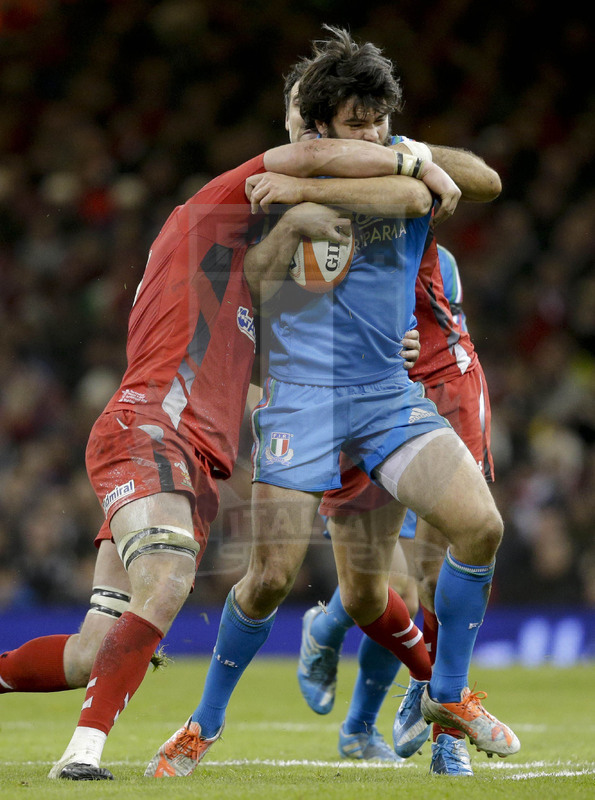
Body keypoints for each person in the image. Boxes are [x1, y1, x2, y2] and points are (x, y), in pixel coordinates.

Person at [144, 27, 518, 779]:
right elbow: (250, 285)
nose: (375, 134)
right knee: (272, 576)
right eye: (357, 124)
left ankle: (445, 698)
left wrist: (312, 187)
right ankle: (202, 725)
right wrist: (288, 224)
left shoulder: (399, 164)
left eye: (380, 120)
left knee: (479, 528)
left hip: (387, 396)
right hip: (301, 401)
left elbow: (422, 191)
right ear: (319, 127)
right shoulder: (277, 179)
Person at [27, 130, 454, 780]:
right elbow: (306, 157)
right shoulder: (204, 226)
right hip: (152, 430)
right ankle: (81, 757)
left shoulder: (244, 312)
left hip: (187, 463)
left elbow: (294, 377)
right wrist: (413, 160)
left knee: (94, 650)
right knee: (168, 583)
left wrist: (373, 357)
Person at [300, 242, 493, 776]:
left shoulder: (431, 249)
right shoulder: (331, 243)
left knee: (428, 582)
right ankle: (333, 639)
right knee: (386, 590)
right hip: (374, 401)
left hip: (441, 398)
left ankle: (436, 722)